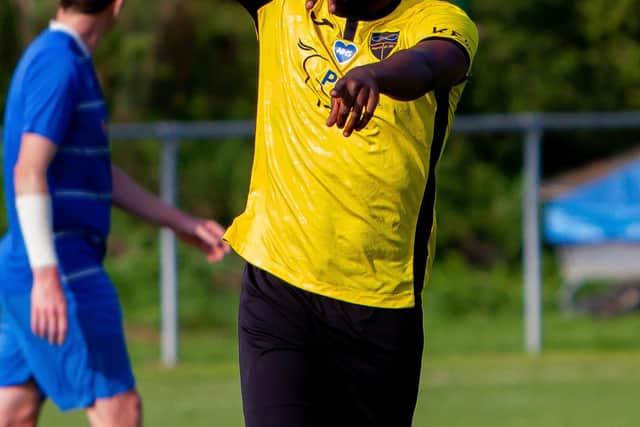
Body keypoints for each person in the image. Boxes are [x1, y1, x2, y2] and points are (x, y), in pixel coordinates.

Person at [224, 0, 479, 425]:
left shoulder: (439, 20)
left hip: (378, 302)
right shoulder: (282, 8)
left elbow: (428, 65)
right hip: (278, 286)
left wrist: (374, 74)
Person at [0, 1, 230, 426]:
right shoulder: (59, 64)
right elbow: (27, 171)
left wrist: (179, 222)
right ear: (118, 5)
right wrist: (48, 277)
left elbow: (97, 171)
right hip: (63, 270)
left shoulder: (59, 58)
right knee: (120, 411)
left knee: (14, 409)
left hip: (23, 265)